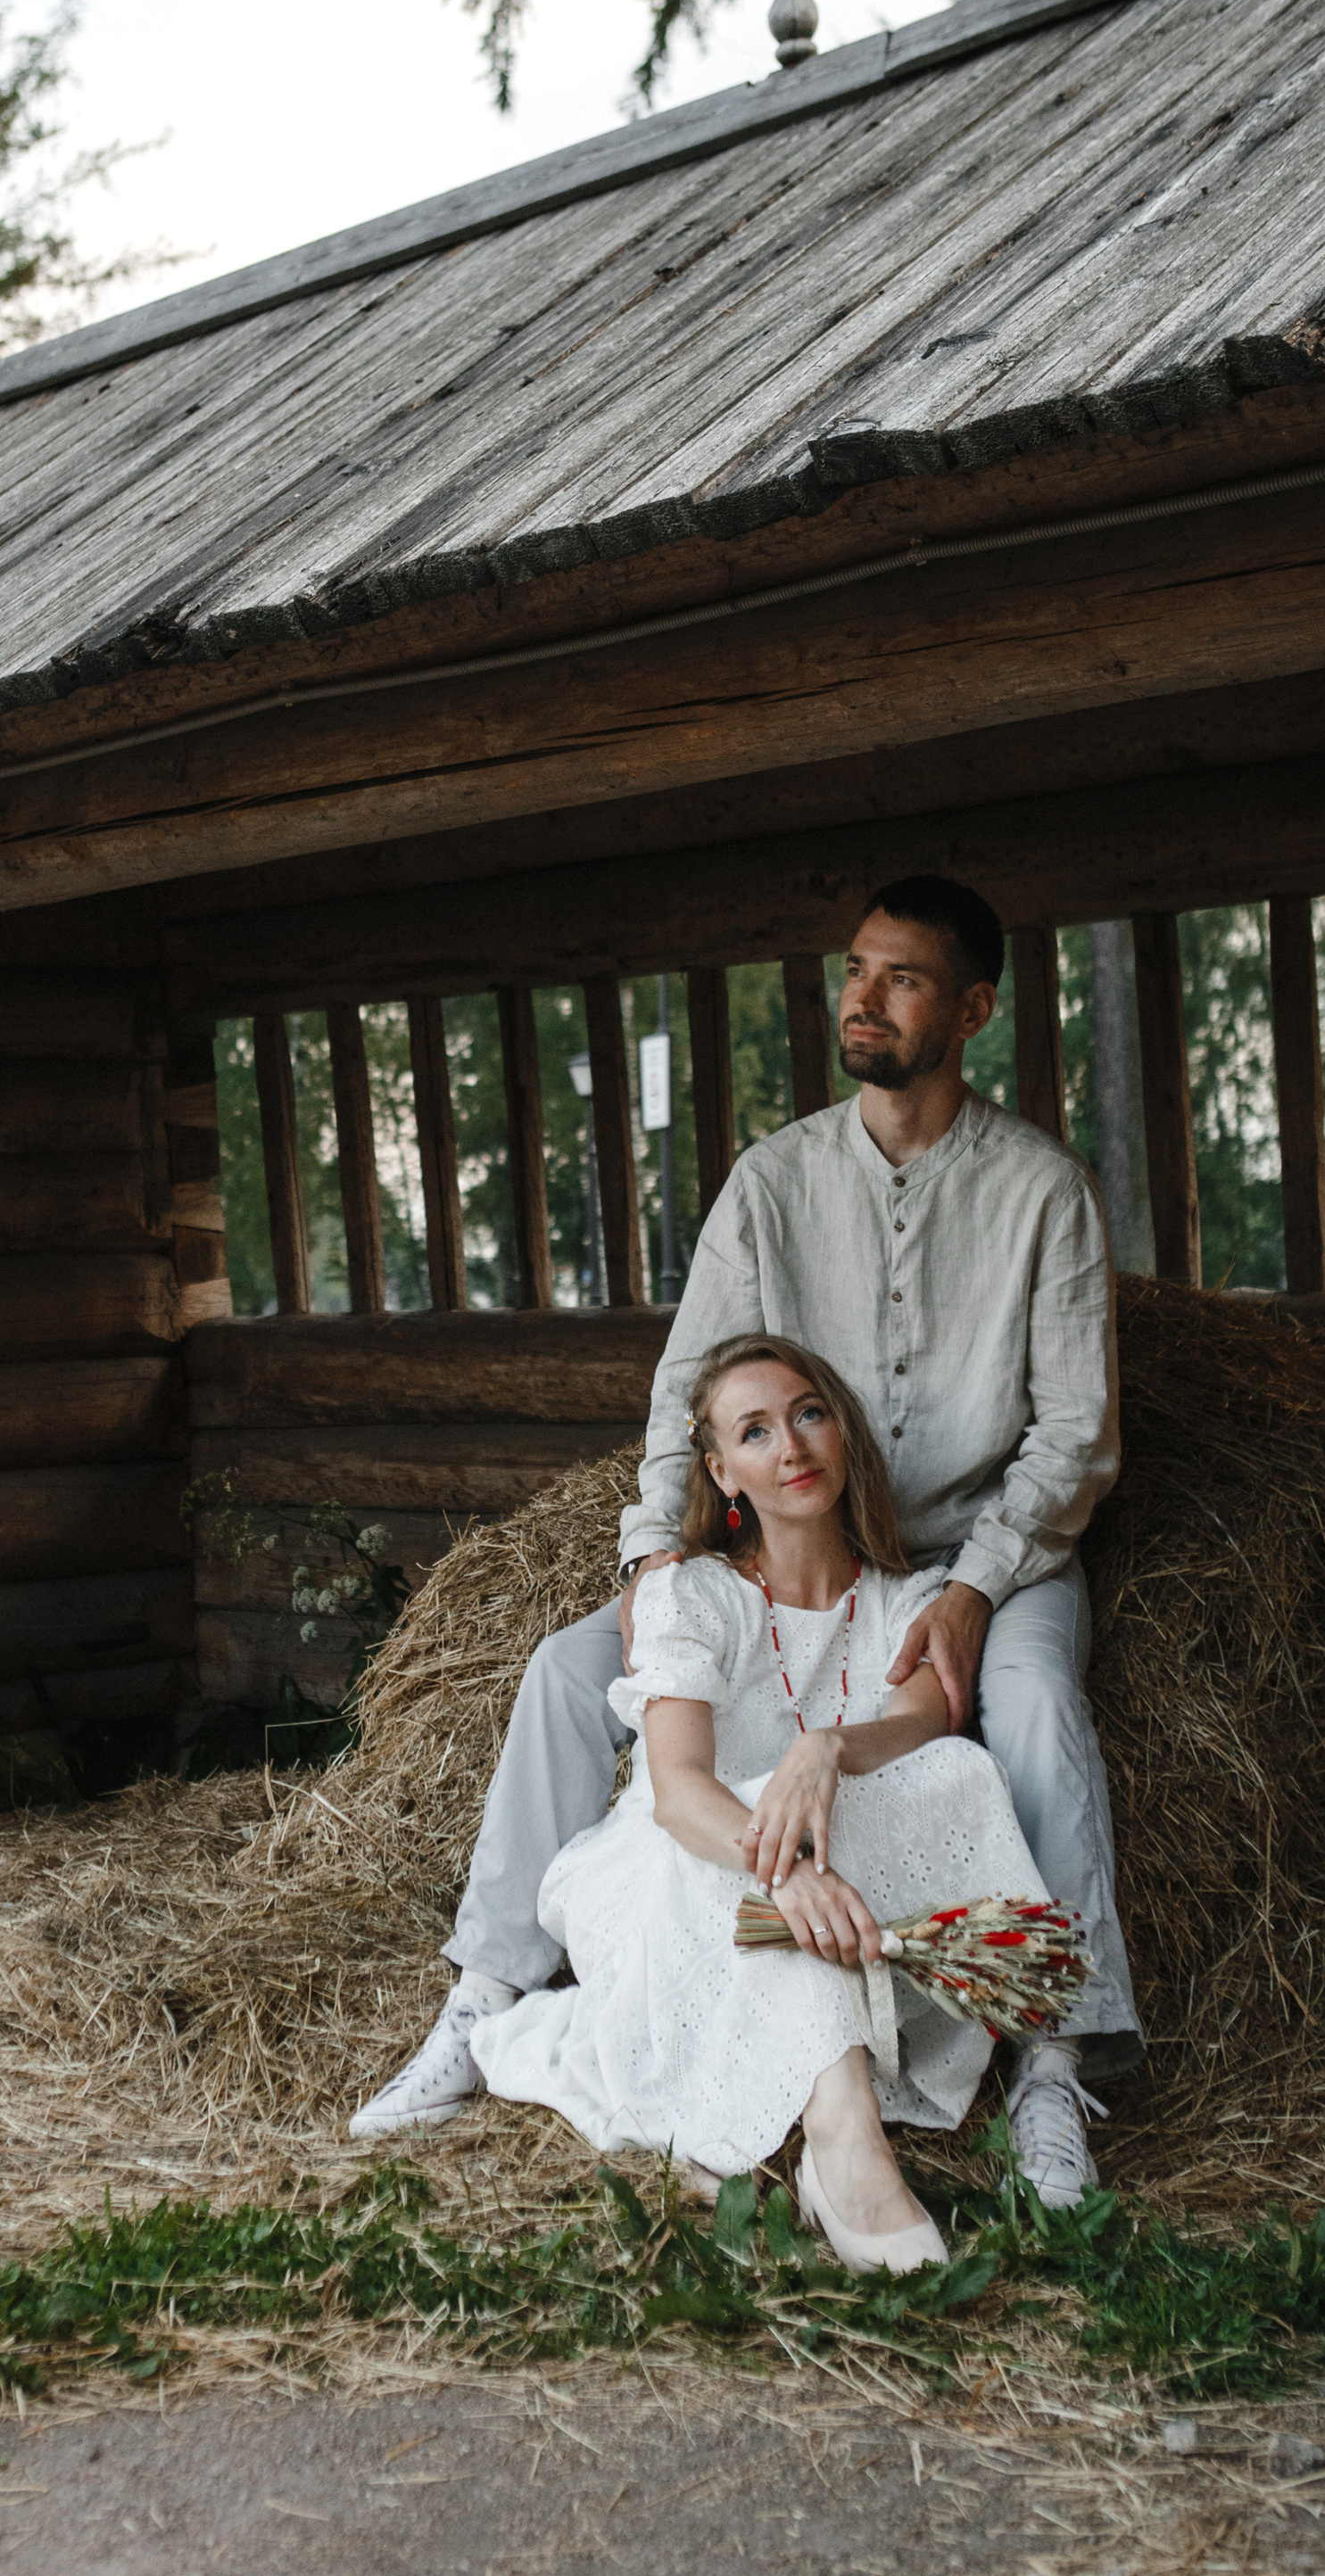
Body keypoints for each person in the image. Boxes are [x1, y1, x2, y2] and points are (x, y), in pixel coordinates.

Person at [351, 871, 1139, 2206]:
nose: (865, 998)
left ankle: (1056, 2059)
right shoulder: (773, 1184)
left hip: (973, 1551)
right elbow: (685, 1392)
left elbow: (1075, 1438)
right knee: (560, 1671)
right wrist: (655, 1551)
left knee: (1039, 1710)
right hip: (785, 1530)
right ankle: (482, 2007)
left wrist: (981, 1587)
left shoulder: (1045, 1193)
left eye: (902, 978)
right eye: (856, 971)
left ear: (975, 1009)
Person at [468, 1334, 1059, 2270]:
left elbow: (920, 1724)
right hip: (679, 1866)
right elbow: (676, 1794)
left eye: (807, 1414)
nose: (790, 1447)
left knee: (960, 1774)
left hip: (835, 1877)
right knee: (739, 1799)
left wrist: (825, 1749)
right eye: (754, 1432)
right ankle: (842, 2129)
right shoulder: (692, 1595)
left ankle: (825, 2116)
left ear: (842, 1433)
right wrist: (779, 1871)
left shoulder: (915, 1600)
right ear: (722, 1473)